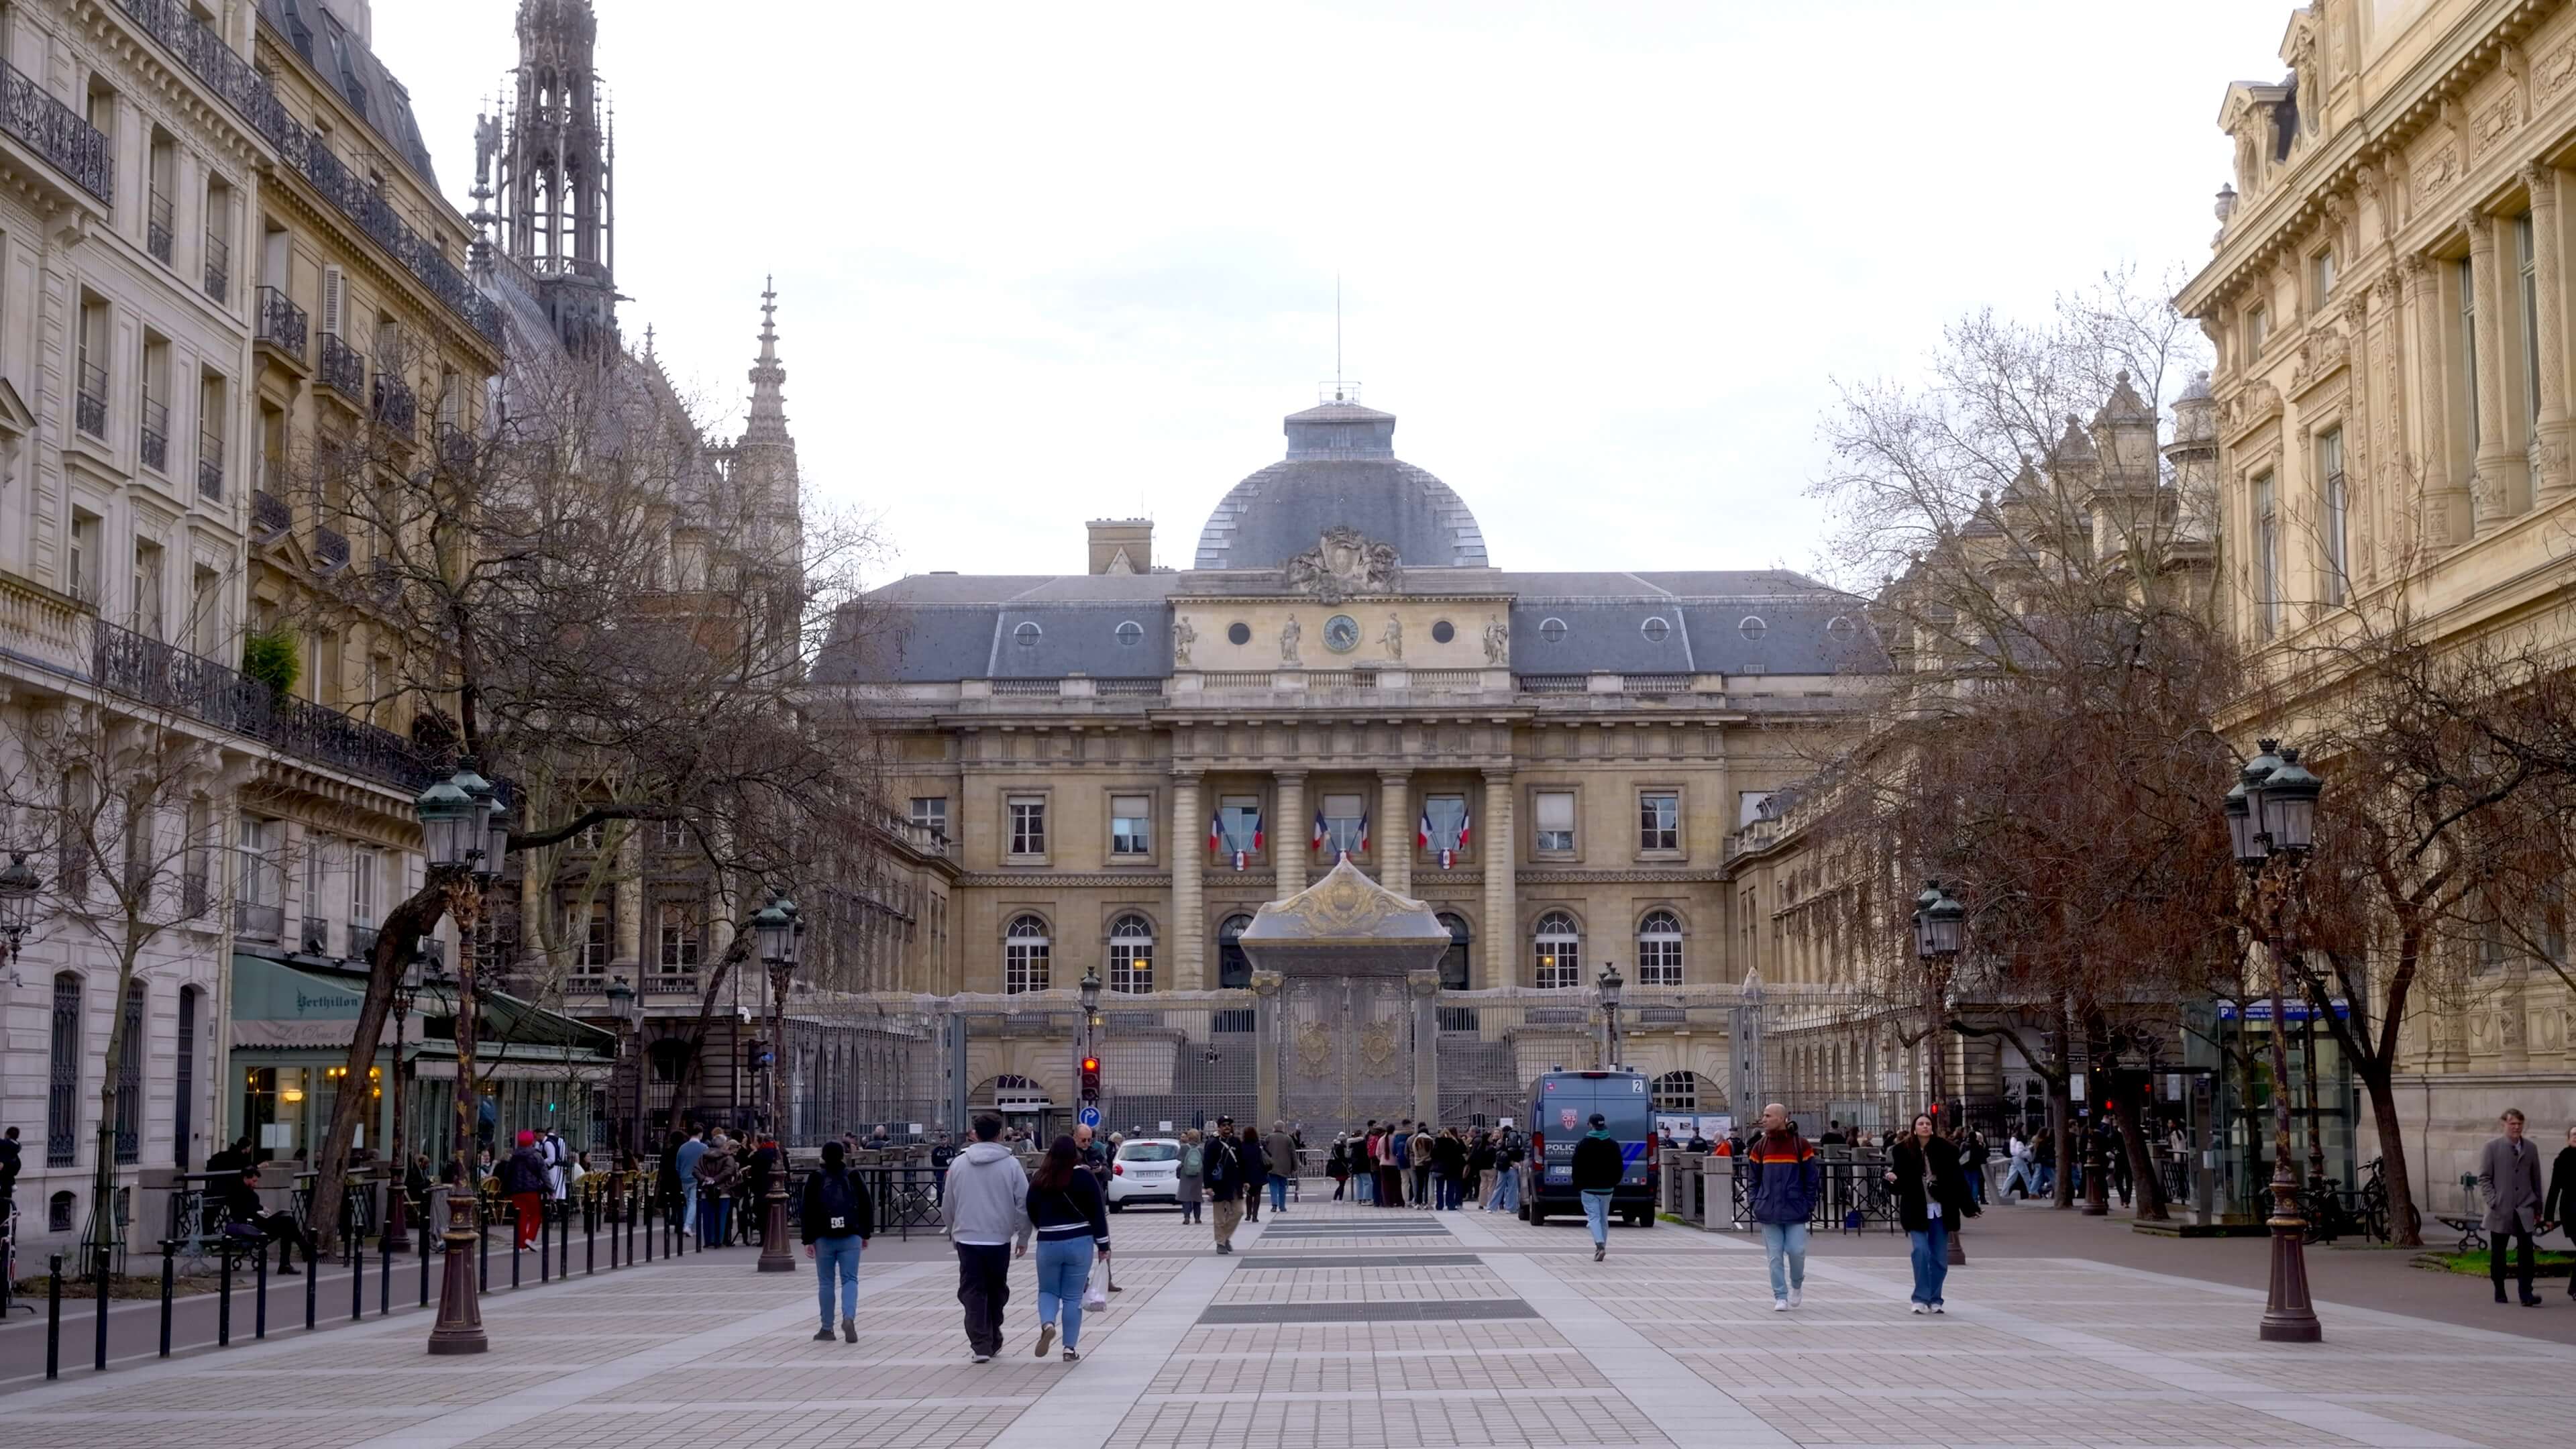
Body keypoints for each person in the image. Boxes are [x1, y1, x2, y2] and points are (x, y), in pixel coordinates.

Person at [941, 1113, 1032, 1362]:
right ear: (999, 1134)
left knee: (972, 1290)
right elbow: (1024, 1201)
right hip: (999, 1237)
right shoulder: (1011, 1164)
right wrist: (1023, 1236)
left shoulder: (959, 1164)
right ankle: (993, 1334)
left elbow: (948, 1202)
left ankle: (981, 1343)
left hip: (967, 1237)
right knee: (997, 1288)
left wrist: (953, 1230)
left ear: (975, 1133)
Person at [1025, 1135, 1110, 1362]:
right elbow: (1097, 1213)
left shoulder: (1039, 1178)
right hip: (1079, 1241)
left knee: (1048, 1291)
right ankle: (1069, 1349)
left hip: (1048, 1241)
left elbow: (1031, 1209)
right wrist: (1104, 1245)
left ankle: (1048, 1324)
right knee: (1073, 1297)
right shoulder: (1084, 1176)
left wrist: (1042, 1226)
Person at [1888, 1113, 1976, 1313]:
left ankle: (1935, 1298)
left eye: (1928, 1123)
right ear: (1914, 1128)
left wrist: (1969, 1208)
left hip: (1940, 1210)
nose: (1925, 1127)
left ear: (1933, 1128)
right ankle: (1920, 1298)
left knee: (1939, 1259)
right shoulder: (1902, 1151)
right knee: (1921, 1252)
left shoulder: (1947, 1150)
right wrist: (1891, 1179)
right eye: (1921, 1124)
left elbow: (1958, 1181)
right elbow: (1897, 1182)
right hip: (1916, 1210)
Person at [1745, 1103, 1819, 1311]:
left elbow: (1811, 1178)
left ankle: (1797, 1284)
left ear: (1781, 1118)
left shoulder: (1800, 1145)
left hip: (1796, 1208)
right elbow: (1753, 1179)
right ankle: (1780, 1295)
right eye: (1764, 1115)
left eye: (1768, 1115)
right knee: (1775, 1256)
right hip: (1768, 1209)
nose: (1764, 1118)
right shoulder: (1759, 1147)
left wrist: (1809, 1203)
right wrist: (1755, 1202)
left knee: (1797, 1251)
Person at [801, 1140, 874, 1342]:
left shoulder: (816, 1178)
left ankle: (826, 1328)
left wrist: (808, 1239)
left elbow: (806, 1209)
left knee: (826, 1282)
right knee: (850, 1279)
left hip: (823, 1236)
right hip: (851, 1235)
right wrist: (865, 1234)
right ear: (843, 1156)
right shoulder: (853, 1175)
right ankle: (849, 1317)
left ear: (823, 1157)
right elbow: (867, 1204)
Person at [2480, 1108, 2547, 1307]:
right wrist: (2494, 1201)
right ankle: (2499, 1289)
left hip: (2525, 1208)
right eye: (2512, 1124)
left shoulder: (2531, 1148)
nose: (2516, 1127)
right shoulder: (2492, 1148)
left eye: (2519, 1124)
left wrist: (2538, 1208)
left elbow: (2536, 1180)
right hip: (2501, 1209)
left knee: (2527, 1253)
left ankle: (2526, 1293)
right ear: (2504, 1125)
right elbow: (2484, 1178)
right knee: (2499, 1253)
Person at [219, 1161, 313, 1273]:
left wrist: (264, 1210)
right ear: (245, 1178)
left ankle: (294, 1258)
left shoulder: (247, 1190)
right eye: (254, 1181)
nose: (256, 1184)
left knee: (288, 1225)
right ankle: (301, 1254)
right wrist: (261, 1210)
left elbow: (253, 1207)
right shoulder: (238, 1191)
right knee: (288, 1223)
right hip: (249, 1225)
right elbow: (247, 1210)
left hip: (257, 1221)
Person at [1572, 1112, 1623, 1261]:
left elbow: (1576, 1165)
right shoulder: (1613, 1144)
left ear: (1590, 1125)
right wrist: (1614, 1182)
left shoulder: (1583, 1144)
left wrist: (1577, 1183)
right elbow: (1619, 1166)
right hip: (1607, 1188)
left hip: (1588, 1188)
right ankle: (1602, 1247)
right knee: (1603, 1219)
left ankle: (1599, 1245)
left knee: (1593, 1218)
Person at [1203, 1116, 1247, 1253]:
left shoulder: (1236, 1142)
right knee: (1219, 1217)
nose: (1227, 1127)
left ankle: (1225, 1237)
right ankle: (1221, 1243)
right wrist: (1208, 1186)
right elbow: (1208, 1166)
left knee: (1239, 1212)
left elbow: (1242, 1162)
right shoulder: (1213, 1143)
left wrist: (1246, 1180)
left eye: (1229, 1125)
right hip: (1219, 1184)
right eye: (1224, 1125)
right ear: (1219, 1127)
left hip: (1235, 1183)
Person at [502, 1130, 548, 1248]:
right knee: (536, 1215)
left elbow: (507, 1174)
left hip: (516, 1191)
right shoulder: (536, 1155)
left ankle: (521, 1244)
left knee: (521, 1217)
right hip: (532, 1190)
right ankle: (530, 1238)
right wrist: (550, 1189)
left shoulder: (514, 1157)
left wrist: (505, 1190)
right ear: (532, 1141)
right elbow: (544, 1174)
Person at [697, 1132, 742, 1246]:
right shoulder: (728, 1158)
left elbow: (696, 1170)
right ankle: (718, 1240)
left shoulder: (704, 1156)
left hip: (706, 1189)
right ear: (724, 1145)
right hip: (723, 1190)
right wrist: (716, 1179)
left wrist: (706, 1179)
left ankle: (708, 1240)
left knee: (707, 1217)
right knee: (721, 1217)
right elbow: (728, 1171)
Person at [2549, 1126, 2576, 1301]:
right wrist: (2548, 1217)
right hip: (2571, 1212)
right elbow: (2554, 1189)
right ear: (2568, 1139)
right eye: (2574, 1134)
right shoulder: (2562, 1159)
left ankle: (2574, 1288)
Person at [673, 1128, 707, 1238]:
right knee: (694, 1202)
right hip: (696, 1179)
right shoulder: (704, 1148)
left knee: (689, 1203)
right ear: (700, 1134)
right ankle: (688, 1226)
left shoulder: (682, 1148)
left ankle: (690, 1227)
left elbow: (677, 1166)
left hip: (684, 1178)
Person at [1486, 1125, 1524, 1213]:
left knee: (1499, 1188)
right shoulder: (1515, 1143)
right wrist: (1514, 1162)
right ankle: (1510, 1208)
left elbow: (1499, 1155)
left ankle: (1491, 1207)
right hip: (1512, 1167)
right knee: (1512, 1189)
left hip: (1502, 1168)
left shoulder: (1501, 1142)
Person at [1264, 1121, 1298, 1215]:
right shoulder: (1288, 1139)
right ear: (1283, 1128)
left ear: (1274, 1128)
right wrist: (1295, 1167)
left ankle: (1274, 1205)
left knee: (1273, 1185)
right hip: (1285, 1166)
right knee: (1283, 1186)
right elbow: (1293, 1154)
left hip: (1271, 1166)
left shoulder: (1269, 1138)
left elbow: (1263, 1151)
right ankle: (1282, 1206)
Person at [1433, 1128, 1468, 1211]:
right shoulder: (1455, 1142)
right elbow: (1463, 1150)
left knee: (1440, 1188)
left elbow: (1433, 1154)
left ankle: (1440, 1205)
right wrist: (1454, 1139)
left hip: (1440, 1168)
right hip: (1452, 1168)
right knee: (1451, 1188)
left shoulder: (1439, 1142)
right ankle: (1450, 1204)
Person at [1238, 1124, 1267, 1223]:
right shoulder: (1259, 1144)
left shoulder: (1242, 1145)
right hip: (1258, 1171)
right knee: (1258, 1194)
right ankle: (1255, 1216)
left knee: (1249, 1193)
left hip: (1247, 1172)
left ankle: (1248, 1215)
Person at [1175, 1128, 1205, 1223]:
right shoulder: (1201, 1150)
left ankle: (1187, 1218)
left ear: (1189, 1137)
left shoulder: (1184, 1148)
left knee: (1186, 1196)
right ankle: (1197, 1218)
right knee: (1197, 1196)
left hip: (1186, 1174)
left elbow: (1178, 1157)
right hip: (1198, 1174)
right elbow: (1204, 1161)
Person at [1409, 1122, 1435, 1210]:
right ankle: (1427, 1202)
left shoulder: (1415, 1140)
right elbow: (1433, 1152)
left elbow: (1414, 1152)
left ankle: (1418, 1202)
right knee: (1428, 1184)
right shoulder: (1431, 1140)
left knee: (1419, 1184)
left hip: (1418, 1164)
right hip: (1428, 1163)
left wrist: (1420, 1159)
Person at [1466, 1130, 1494, 1208]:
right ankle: (1491, 1202)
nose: (1492, 1138)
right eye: (1491, 1137)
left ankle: (1481, 1203)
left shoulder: (1480, 1147)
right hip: (1490, 1168)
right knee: (1491, 1186)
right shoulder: (1491, 1147)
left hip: (1482, 1169)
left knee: (1483, 1186)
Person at [1327, 1135, 1350, 1200]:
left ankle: (1336, 1199)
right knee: (1342, 1185)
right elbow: (1343, 1158)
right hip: (1342, 1167)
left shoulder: (1335, 1147)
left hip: (1337, 1167)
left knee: (1341, 1184)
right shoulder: (1341, 1147)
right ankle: (1339, 1199)